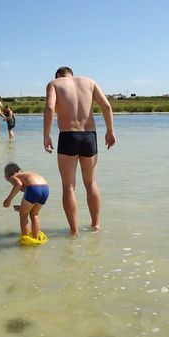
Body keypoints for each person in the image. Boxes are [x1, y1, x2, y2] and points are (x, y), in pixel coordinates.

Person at [43, 66, 116, 235]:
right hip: (89, 136)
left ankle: (74, 231)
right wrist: (110, 131)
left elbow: (49, 108)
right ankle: (96, 226)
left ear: (58, 76)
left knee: (68, 187)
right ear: (71, 75)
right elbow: (106, 106)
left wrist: (46, 135)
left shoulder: (54, 84)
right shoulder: (89, 82)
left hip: (68, 136)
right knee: (91, 183)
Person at [3, 163, 49, 240]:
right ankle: (36, 238)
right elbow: (33, 195)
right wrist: (23, 207)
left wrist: (8, 200)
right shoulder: (26, 175)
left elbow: (18, 184)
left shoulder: (13, 176)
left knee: (23, 214)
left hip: (34, 188)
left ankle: (26, 239)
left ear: (8, 175)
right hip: (45, 188)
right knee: (34, 214)